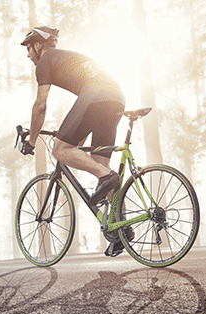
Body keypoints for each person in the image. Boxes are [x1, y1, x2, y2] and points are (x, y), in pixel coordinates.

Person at [20, 26, 130, 256]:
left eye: (29, 49)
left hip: (95, 95)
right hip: (116, 98)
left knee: (60, 149)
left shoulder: (45, 62)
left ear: (38, 45)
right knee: (99, 160)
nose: (28, 55)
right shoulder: (65, 57)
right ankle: (122, 228)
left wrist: (31, 141)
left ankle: (107, 178)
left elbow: (40, 104)